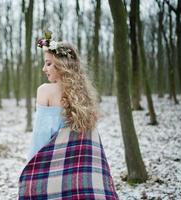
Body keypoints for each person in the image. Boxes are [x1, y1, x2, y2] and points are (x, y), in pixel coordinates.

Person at [19, 31, 118, 200]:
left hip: (52, 175)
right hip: (81, 179)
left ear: (62, 64)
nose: (44, 69)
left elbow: (41, 137)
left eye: (49, 64)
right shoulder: (84, 95)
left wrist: (31, 168)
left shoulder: (45, 91)